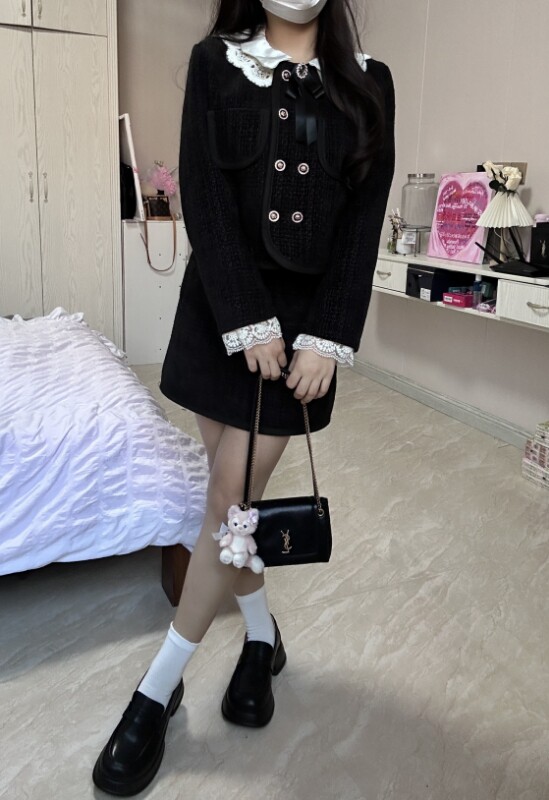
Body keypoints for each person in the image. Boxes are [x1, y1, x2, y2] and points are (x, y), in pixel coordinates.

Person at [92, 0, 395, 794]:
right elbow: (204, 193)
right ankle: (261, 639)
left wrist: (327, 335)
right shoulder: (215, 62)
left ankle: (157, 688)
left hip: (302, 340)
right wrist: (244, 319)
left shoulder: (369, 84)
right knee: (234, 513)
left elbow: (362, 220)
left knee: (229, 501)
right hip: (221, 317)